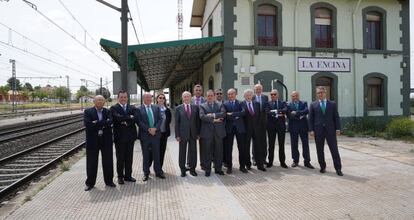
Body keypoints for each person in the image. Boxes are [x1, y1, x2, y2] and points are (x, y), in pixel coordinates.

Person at [309, 86, 343, 176]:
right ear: (317, 94)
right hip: (318, 131)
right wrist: (311, 130)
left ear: (325, 93)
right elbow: (311, 119)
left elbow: (336, 117)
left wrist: (338, 128)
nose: (320, 94)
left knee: (334, 149)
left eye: (322, 92)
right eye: (318, 93)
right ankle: (322, 167)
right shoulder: (313, 104)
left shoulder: (332, 104)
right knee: (319, 150)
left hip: (330, 131)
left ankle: (338, 168)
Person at [84, 95, 115, 191]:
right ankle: (90, 183)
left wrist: (96, 123)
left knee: (108, 161)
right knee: (91, 162)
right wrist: (104, 123)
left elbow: (110, 122)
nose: (100, 102)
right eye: (98, 100)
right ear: (94, 101)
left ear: (104, 102)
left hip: (106, 140)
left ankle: (109, 181)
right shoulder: (88, 112)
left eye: (102, 100)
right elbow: (88, 125)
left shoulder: (108, 111)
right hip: (93, 141)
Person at [136, 92, 165, 181]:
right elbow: (139, 121)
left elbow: (160, 119)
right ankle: (146, 173)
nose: (149, 99)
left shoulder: (156, 108)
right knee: (146, 155)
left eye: (150, 98)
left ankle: (158, 172)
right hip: (145, 135)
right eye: (147, 98)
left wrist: (155, 129)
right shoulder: (139, 109)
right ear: (143, 99)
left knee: (156, 154)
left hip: (155, 135)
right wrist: (148, 129)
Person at [110, 91, 137, 185]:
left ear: (127, 98)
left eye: (125, 97)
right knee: (120, 158)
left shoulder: (132, 107)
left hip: (130, 137)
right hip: (119, 138)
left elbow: (135, 118)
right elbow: (116, 118)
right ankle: (120, 177)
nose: (123, 99)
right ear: (118, 98)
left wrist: (125, 120)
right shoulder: (113, 108)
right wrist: (129, 117)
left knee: (129, 157)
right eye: (121, 97)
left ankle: (128, 176)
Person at [199, 90, 226, 176]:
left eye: (211, 95)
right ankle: (208, 170)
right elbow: (202, 116)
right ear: (206, 97)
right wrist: (215, 120)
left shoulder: (220, 104)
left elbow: (223, 114)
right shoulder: (202, 106)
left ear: (214, 96)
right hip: (207, 133)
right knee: (207, 151)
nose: (210, 97)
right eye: (208, 96)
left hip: (218, 132)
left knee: (219, 151)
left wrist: (213, 115)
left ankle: (218, 169)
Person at [287, 91, 314, 169]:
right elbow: (289, 115)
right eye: (293, 96)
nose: (294, 97)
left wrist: (296, 113)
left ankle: (307, 161)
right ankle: (295, 161)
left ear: (298, 96)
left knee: (305, 144)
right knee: (294, 144)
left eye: (296, 96)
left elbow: (306, 111)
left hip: (303, 127)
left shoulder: (304, 102)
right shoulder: (288, 104)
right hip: (293, 127)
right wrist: (300, 115)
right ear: (291, 97)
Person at [175, 91, 200, 177]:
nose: (186, 98)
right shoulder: (178, 108)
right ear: (182, 98)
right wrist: (177, 135)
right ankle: (182, 169)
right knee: (182, 152)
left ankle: (192, 169)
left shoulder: (195, 107)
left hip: (193, 133)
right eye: (184, 97)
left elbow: (197, 121)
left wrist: (198, 133)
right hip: (182, 134)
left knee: (193, 151)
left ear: (190, 97)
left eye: (188, 96)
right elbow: (176, 123)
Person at [242, 89, 266, 172]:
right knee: (246, 147)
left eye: (250, 95)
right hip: (246, 129)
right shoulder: (242, 104)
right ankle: (247, 164)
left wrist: (258, 126)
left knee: (258, 147)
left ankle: (260, 165)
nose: (248, 96)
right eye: (247, 95)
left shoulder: (257, 104)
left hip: (256, 129)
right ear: (244, 96)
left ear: (252, 96)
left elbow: (259, 116)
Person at [223, 88, 246, 174]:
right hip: (229, 129)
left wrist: (232, 114)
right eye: (229, 94)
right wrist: (237, 115)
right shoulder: (225, 104)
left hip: (240, 128)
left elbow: (243, 112)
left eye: (232, 94)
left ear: (235, 94)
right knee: (229, 148)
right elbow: (225, 115)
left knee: (242, 148)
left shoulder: (241, 103)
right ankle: (229, 167)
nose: (230, 95)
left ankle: (242, 166)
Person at [266, 89, 288, 168]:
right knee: (271, 145)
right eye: (271, 94)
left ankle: (282, 162)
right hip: (271, 127)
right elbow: (267, 112)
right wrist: (279, 112)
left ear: (278, 95)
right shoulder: (268, 103)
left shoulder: (283, 103)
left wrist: (274, 111)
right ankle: (270, 162)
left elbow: (285, 110)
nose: (273, 96)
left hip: (281, 127)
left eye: (274, 94)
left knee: (281, 145)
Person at [151, 93, 171, 170]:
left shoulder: (167, 110)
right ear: (157, 99)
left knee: (162, 152)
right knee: (153, 152)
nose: (161, 99)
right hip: (155, 134)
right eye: (160, 98)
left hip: (164, 134)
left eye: (163, 98)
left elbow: (168, 122)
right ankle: (149, 168)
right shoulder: (153, 109)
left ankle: (159, 169)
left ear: (165, 100)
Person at [191, 84, 206, 169]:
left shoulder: (205, 100)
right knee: (192, 146)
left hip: (203, 126)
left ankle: (203, 164)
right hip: (192, 126)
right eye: (196, 90)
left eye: (200, 90)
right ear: (194, 91)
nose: (198, 92)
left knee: (203, 146)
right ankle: (190, 163)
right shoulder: (189, 99)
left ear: (202, 91)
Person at [253, 84, 268, 165]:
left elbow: (266, 107)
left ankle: (263, 158)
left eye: (260, 89)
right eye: (257, 89)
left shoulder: (265, 97)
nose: (258, 90)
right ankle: (255, 159)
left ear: (262, 89)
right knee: (255, 141)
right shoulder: (252, 97)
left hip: (263, 122)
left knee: (263, 141)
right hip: (254, 122)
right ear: (254, 90)